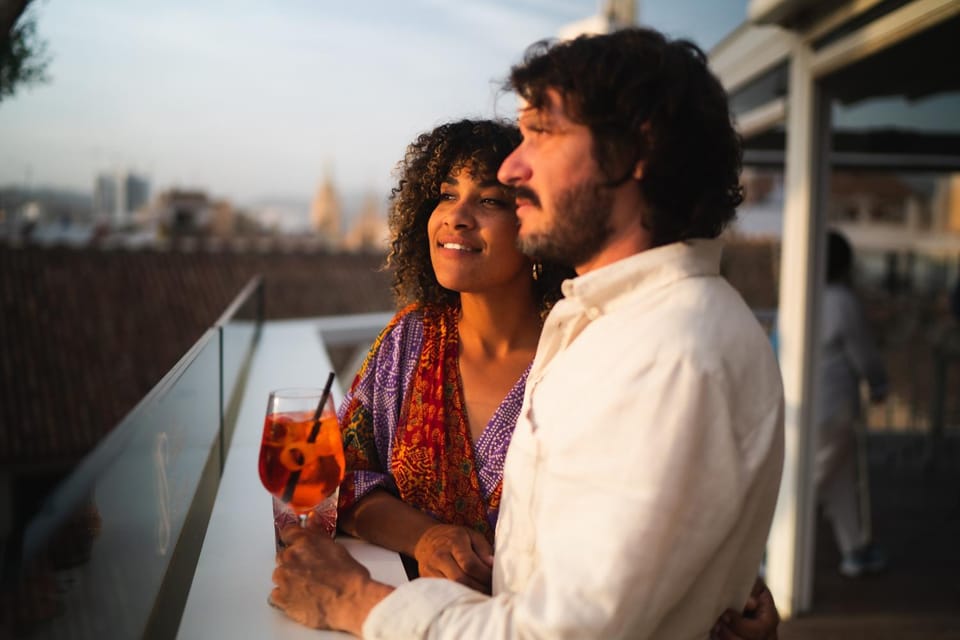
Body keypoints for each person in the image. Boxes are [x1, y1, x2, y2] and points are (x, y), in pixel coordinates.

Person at [271, 27, 784, 638]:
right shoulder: (605, 330)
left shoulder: (669, 355)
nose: (516, 165)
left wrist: (354, 601)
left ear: (635, 151)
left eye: (542, 133)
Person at [335, 118, 571, 591]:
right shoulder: (408, 343)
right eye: (446, 194)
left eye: (489, 201)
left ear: (543, 228)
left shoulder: (576, 362)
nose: (456, 216)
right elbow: (343, 481)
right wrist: (427, 538)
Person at [815, 230, 887, 577]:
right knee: (811, 481)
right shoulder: (842, 301)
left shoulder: (802, 293)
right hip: (834, 407)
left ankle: (855, 548)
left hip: (803, 404)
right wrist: (878, 384)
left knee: (839, 479)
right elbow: (864, 353)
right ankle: (769, 549)